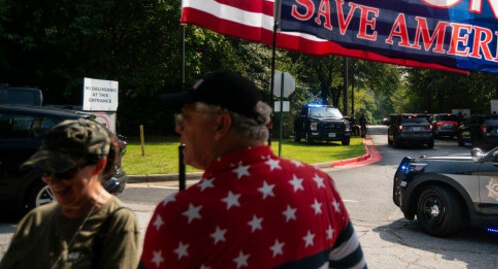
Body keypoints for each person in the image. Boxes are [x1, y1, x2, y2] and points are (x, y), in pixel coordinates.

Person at [141, 71, 367, 269]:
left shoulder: (178, 216)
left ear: (221, 125)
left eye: (186, 117)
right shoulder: (320, 184)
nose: (178, 127)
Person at [0, 119, 140, 269]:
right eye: (45, 169)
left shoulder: (116, 222)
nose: (52, 180)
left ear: (99, 165)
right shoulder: (36, 220)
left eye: (64, 170)